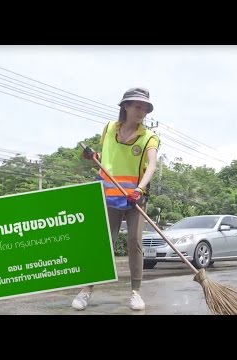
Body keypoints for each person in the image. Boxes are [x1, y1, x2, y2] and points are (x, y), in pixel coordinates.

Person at [72, 87, 159, 311]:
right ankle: (86, 290)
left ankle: (135, 292)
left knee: (134, 241)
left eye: (145, 108)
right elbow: (106, 159)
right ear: (126, 106)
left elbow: (152, 166)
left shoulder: (149, 137)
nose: (142, 111)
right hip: (109, 195)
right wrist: (93, 158)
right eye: (137, 106)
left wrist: (139, 189)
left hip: (134, 199)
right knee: (104, 243)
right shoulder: (110, 128)